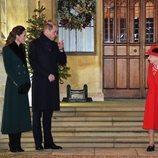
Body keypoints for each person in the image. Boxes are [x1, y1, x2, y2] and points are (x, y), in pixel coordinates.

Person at [28, 21, 67, 150]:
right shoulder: (34, 44)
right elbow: (33, 63)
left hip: (51, 85)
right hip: (40, 83)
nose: (56, 34)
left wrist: (61, 49)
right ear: (47, 31)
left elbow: (62, 62)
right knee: (37, 114)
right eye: (55, 32)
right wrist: (46, 75)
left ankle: (49, 142)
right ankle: (38, 143)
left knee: (48, 116)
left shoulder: (55, 45)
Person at [1, 26, 32, 152]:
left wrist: (28, 83)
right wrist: (20, 83)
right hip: (14, 87)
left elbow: (24, 67)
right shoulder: (7, 49)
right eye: (24, 35)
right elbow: (9, 70)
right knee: (13, 115)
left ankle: (18, 144)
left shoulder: (22, 48)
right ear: (18, 35)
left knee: (20, 115)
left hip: (23, 85)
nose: (25, 37)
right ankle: (12, 144)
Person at [143, 46, 158, 152]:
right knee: (150, 120)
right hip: (152, 97)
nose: (148, 58)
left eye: (150, 56)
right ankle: (151, 144)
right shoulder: (150, 67)